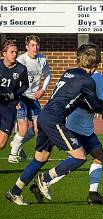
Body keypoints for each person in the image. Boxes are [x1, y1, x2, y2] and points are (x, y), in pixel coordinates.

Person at [5, 43, 103, 205]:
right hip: (54, 119)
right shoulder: (88, 81)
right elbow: (96, 106)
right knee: (79, 156)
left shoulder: (68, 73)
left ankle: (14, 191)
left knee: (40, 158)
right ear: (95, 65)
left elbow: (68, 96)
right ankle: (44, 179)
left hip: (44, 115)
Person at [30, 71, 103, 205]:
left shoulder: (84, 76)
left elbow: (100, 102)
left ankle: (92, 194)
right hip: (76, 126)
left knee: (98, 156)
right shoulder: (91, 79)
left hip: (84, 127)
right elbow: (91, 104)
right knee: (80, 158)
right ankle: (44, 180)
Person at [8, 35, 51, 163]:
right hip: (21, 97)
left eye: (37, 45)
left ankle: (16, 143)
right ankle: (13, 154)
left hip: (33, 98)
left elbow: (48, 75)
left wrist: (43, 89)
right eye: (32, 45)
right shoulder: (21, 60)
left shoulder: (42, 59)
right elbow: (13, 80)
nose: (35, 47)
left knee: (39, 128)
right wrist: (14, 100)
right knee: (24, 125)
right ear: (27, 47)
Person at [0, 39, 29, 151]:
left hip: (9, 107)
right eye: (11, 52)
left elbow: (25, 85)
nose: (15, 54)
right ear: (4, 53)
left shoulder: (21, 69)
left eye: (16, 52)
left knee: (2, 144)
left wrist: (14, 95)